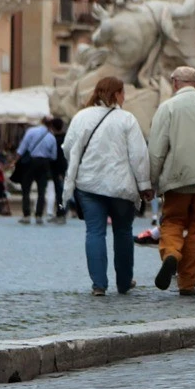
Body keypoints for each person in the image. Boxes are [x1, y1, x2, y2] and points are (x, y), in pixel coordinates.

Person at [64, 76, 153, 295]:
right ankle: (124, 282)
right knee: (123, 231)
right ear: (116, 94)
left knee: (94, 232)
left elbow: (68, 148)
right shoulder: (127, 119)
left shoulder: (81, 117)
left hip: (88, 184)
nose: (125, 97)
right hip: (120, 185)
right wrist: (144, 184)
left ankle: (99, 285)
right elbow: (139, 156)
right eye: (123, 93)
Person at [147, 66, 195, 295]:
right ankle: (188, 282)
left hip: (177, 178)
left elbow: (156, 151)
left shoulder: (168, 107)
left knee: (172, 221)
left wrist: (151, 182)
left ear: (174, 83)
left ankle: (172, 253)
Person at [14, 117, 60, 225]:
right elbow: (54, 156)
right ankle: (39, 215)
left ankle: (26, 215)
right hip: (43, 163)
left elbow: (22, 148)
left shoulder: (31, 131)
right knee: (41, 191)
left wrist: (15, 160)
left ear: (41, 121)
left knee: (26, 190)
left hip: (30, 162)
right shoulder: (51, 137)